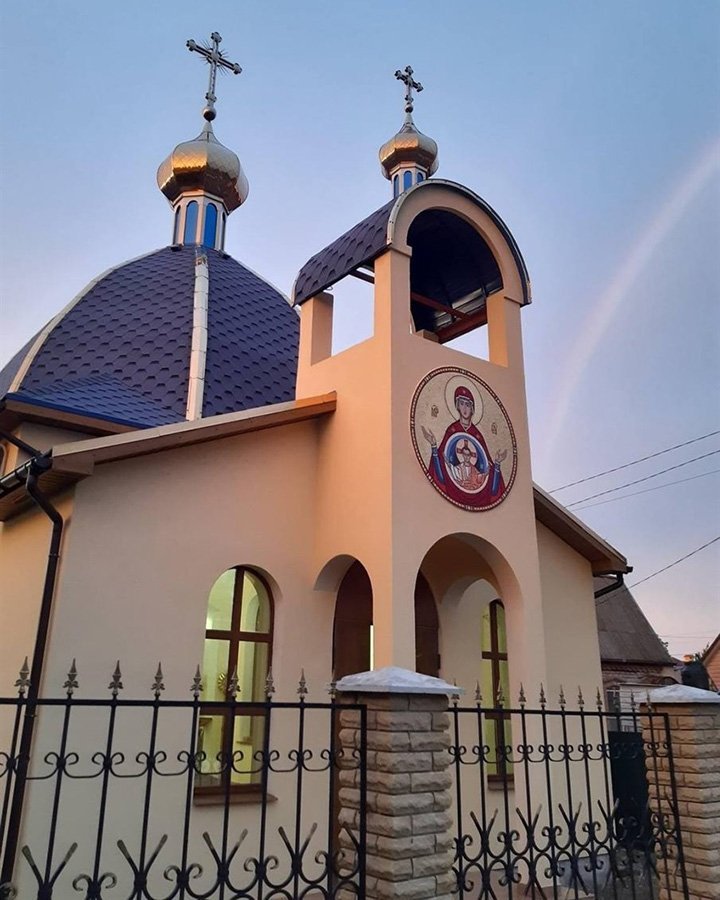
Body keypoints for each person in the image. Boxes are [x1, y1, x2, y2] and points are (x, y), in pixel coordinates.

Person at [421, 385, 507, 508]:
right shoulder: (452, 429)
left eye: (468, 404)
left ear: (472, 409)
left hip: (476, 489)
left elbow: (488, 468)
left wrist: (497, 463)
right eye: (461, 404)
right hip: (454, 484)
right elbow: (441, 460)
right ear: (457, 406)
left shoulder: (477, 435)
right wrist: (434, 446)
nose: (465, 408)